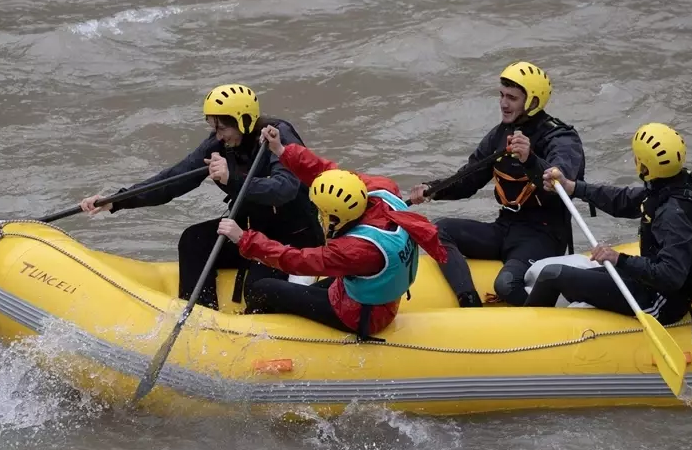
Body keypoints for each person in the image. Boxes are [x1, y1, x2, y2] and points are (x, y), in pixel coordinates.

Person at [78, 84, 324, 310]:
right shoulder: (220, 145)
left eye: (222, 128)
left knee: (257, 291)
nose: (218, 136)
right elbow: (173, 180)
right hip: (247, 231)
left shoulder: (277, 137)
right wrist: (116, 201)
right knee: (193, 240)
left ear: (244, 122)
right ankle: (201, 314)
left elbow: (284, 189)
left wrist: (232, 178)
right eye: (213, 128)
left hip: (290, 240)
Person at [215, 125, 448, 338]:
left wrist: (243, 238)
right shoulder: (382, 189)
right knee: (296, 293)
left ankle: (252, 336)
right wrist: (281, 150)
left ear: (335, 217)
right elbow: (327, 172)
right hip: (361, 291)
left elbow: (295, 260)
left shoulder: (354, 250)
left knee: (263, 288)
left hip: (361, 315)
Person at [407, 61, 585, 307]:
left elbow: (561, 180)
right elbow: (469, 180)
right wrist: (431, 190)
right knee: (438, 230)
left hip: (543, 236)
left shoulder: (561, 137)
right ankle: (469, 303)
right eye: (501, 95)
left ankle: (552, 319)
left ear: (533, 101)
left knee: (506, 285)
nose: (503, 103)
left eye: (512, 98)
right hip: (505, 227)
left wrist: (530, 159)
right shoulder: (500, 134)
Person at [530, 122, 692, 326]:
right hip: (648, 282)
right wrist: (573, 187)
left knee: (552, 275)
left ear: (644, 166)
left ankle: (528, 329)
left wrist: (619, 259)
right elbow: (624, 200)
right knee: (566, 277)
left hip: (661, 301)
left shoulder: (672, 215)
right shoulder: (676, 185)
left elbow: (670, 276)